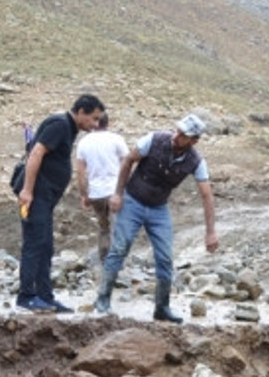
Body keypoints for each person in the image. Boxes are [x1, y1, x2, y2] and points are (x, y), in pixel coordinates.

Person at [94, 113, 219, 323]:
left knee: (165, 257)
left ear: (194, 140)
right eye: (177, 130)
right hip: (132, 200)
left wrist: (211, 232)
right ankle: (102, 299)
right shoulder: (153, 139)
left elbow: (206, 195)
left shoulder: (196, 161)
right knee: (119, 248)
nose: (176, 135)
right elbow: (128, 161)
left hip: (159, 208)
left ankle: (162, 308)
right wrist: (117, 193)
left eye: (183, 134)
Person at [16, 94, 103, 313]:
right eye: (93, 119)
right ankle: (26, 296)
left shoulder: (68, 129)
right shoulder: (60, 124)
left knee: (45, 245)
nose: (95, 125)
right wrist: (27, 190)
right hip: (36, 194)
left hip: (46, 197)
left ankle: (45, 296)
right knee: (35, 243)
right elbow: (36, 154)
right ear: (81, 112)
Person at [75, 112, 128, 265]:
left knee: (104, 227)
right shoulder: (117, 139)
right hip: (115, 191)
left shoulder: (84, 142)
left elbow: (80, 172)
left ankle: (104, 260)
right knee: (118, 228)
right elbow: (127, 163)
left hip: (96, 193)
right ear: (108, 123)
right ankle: (117, 264)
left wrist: (84, 195)